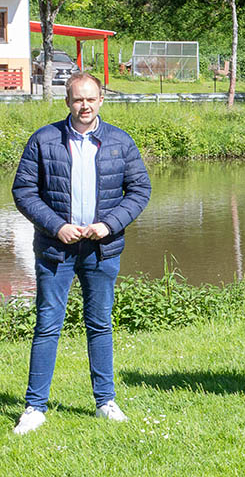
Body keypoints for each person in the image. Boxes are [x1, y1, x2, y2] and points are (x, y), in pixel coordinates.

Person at [11, 72, 151, 435]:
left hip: (102, 250)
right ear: (67, 101)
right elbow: (24, 190)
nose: (84, 105)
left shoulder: (120, 142)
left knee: (100, 324)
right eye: (77, 99)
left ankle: (105, 402)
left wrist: (110, 225)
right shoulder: (44, 140)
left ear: (101, 99)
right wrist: (56, 226)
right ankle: (34, 407)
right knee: (47, 325)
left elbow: (139, 190)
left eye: (90, 98)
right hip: (55, 249)